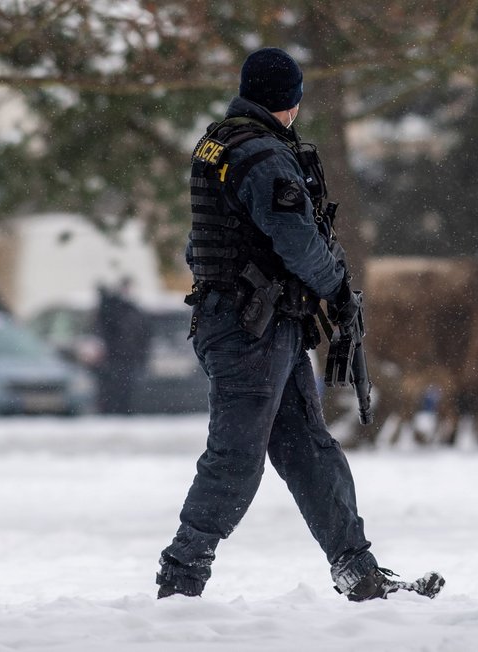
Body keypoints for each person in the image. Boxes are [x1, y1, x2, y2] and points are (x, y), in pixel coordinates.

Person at [156, 48, 444, 601]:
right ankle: (181, 576)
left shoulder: (219, 142)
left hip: (257, 321)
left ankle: (356, 569)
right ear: (288, 101)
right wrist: (336, 286)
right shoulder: (263, 157)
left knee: (308, 445)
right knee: (237, 455)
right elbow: (295, 240)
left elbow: (207, 242)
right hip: (250, 327)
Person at [94, 277, 149, 414]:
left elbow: (143, 334)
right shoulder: (118, 308)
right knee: (117, 388)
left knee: (124, 389)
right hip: (117, 357)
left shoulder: (129, 309)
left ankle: (123, 410)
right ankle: (119, 411)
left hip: (125, 357)